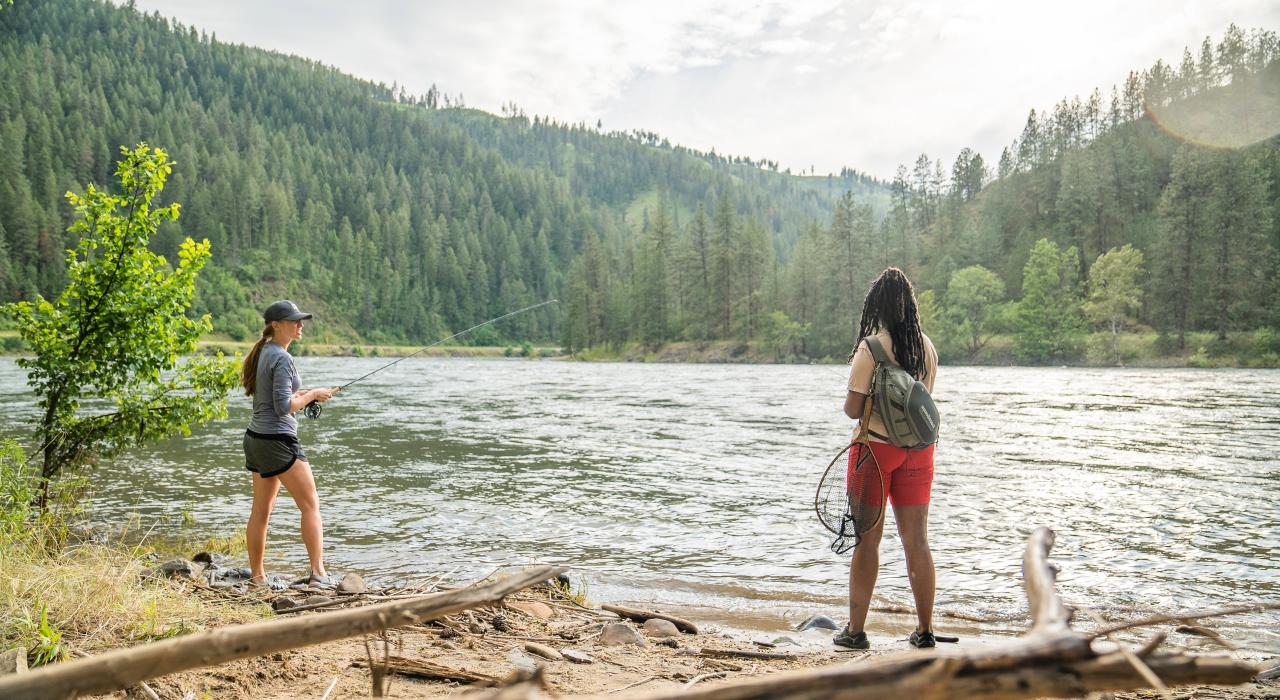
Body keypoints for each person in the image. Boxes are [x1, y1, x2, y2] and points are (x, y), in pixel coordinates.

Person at [836, 267, 939, 650]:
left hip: (874, 453)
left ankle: (856, 631)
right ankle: (925, 631)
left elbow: (852, 409)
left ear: (876, 306)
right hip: (919, 453)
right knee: (918, 542)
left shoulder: (872, 348)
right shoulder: (926, 348)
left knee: (868, 541)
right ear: (909, 305)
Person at [240, 300, 337, 588]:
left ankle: (257, 577)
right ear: (276, 325)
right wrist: (311, 395)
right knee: (310, 506)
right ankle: (318, 574)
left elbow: (273, 398)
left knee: (260, 511)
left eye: (300, 320)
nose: (300, 324)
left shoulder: (265, 353)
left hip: (255, 440)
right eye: (294, 320)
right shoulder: (282, 358)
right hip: (278, 442)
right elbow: (283, 407)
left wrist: (307, 394)